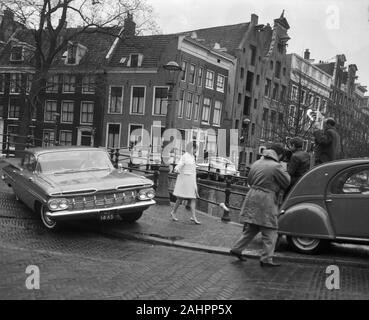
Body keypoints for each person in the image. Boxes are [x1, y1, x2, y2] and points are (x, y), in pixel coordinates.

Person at [229, 143, 290, 267]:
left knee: (252, 227)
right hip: (266, 198)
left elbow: (250, 180)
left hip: (252, 195)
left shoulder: (256, 163)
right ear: (279, 155)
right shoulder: (276, 167)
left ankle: (236, 249)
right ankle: (266, 259)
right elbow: (286, 181)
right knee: (271, 230)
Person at [170, 141, 201, 225]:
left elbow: (193, 169)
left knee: (193, 198)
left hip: (191, 180)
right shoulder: (185, 156)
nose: (195, 151)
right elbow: (180, 164)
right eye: (195, 149)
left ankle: (193, 217)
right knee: (180, 198)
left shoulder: (192, 157)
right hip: (185, 180)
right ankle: (173, 211)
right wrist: (176, 169)